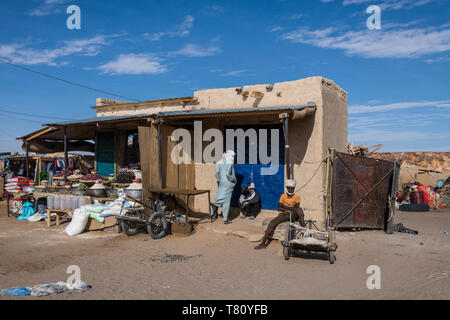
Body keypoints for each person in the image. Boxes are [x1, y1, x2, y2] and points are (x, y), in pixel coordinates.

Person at [254, 179, 306, 249]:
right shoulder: (283, 196)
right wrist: (289, 208)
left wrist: (284, 206)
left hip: (294, 215)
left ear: (294, 188)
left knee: (300, 210)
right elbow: (278, 208)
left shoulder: (297, 197)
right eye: (289, 188)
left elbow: (296, 208)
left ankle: (303, 227)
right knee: (272, 223)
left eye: (292, 188)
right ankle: (263, 242)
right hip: (284, 215)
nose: (291, 190)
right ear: (286, 188)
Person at [210, 150, 237, 224]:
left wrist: (220, 180)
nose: (233, 157)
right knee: (226, 202)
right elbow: (228, 174)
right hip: (228, 184)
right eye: (232, 156)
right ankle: (225, 219)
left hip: (221, 184)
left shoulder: (219, 162)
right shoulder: (230, 162)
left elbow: (216, 174)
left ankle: (211, 214)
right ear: (228, 155)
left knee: (218, 198)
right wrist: (234, 180)